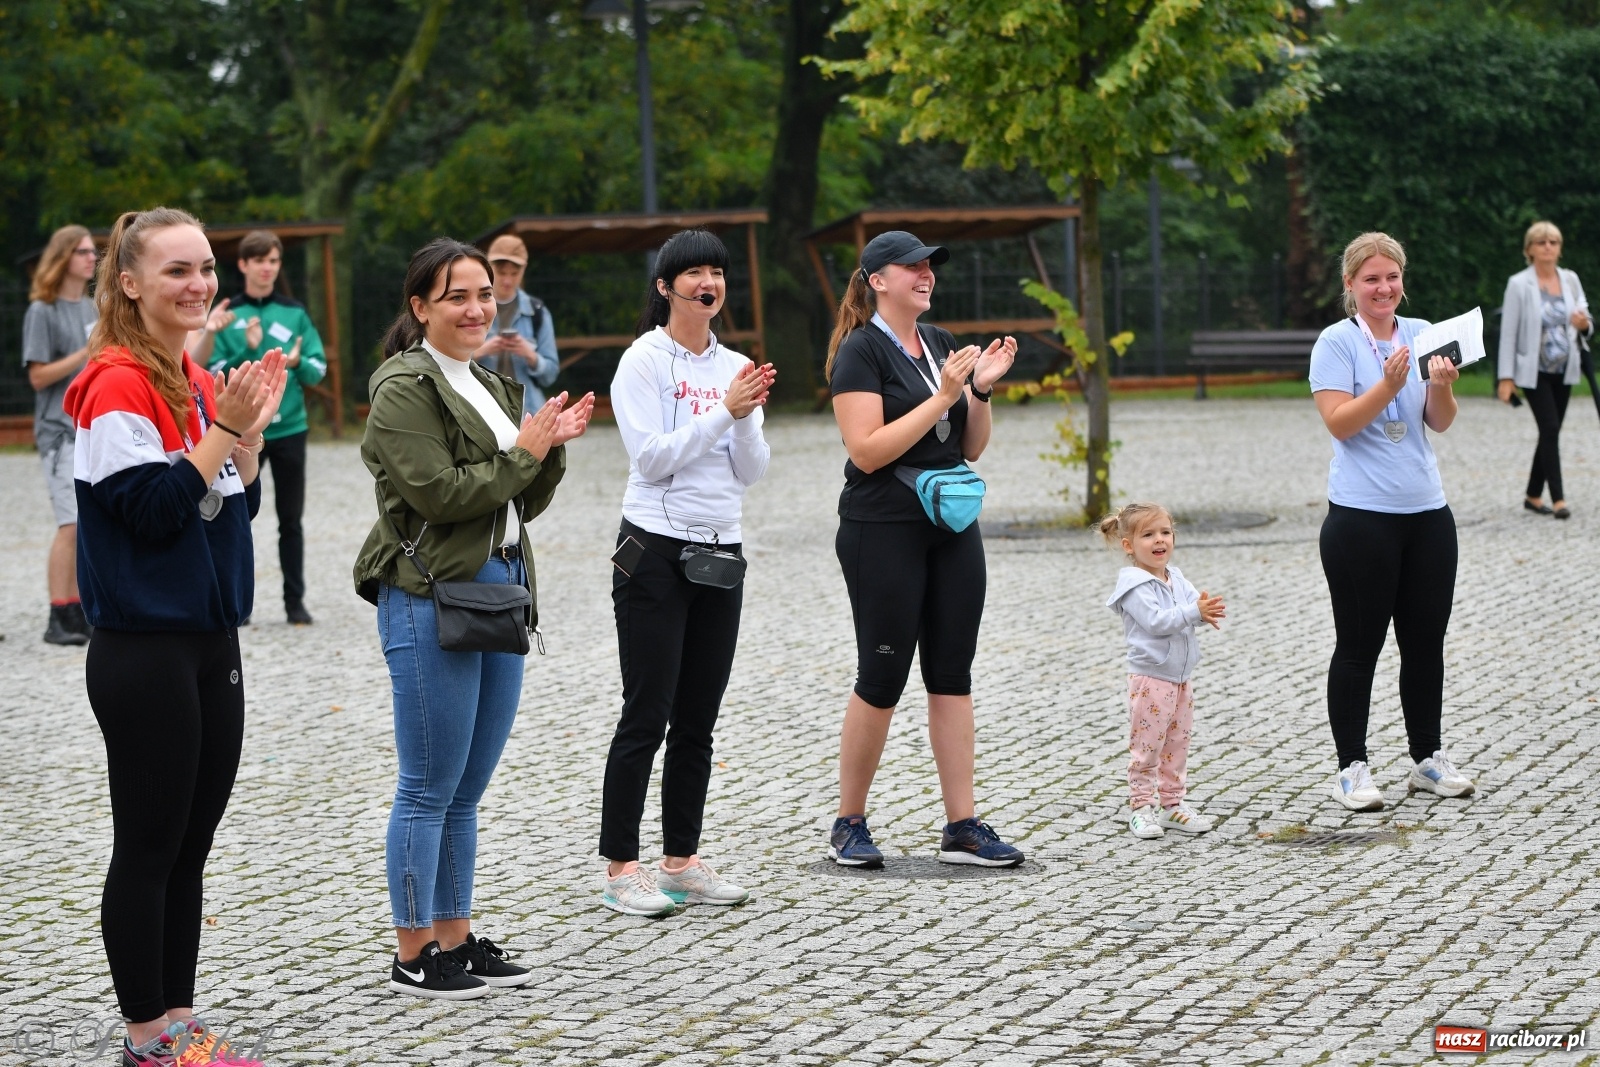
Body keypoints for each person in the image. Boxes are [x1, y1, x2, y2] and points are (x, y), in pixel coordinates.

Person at [63, 206, 287, 1067]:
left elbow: (228, 510)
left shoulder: (189, 378)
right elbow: (154, 514)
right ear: (129, 284)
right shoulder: (115, 382)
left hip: (209, 638)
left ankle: (181, 1019)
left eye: (205, 268)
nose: (200, 285)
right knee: (150, 845)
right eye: (177, 271)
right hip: (144, 647)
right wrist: (226, 431)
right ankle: (146, 1033)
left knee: (191, 847)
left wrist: (248, 439)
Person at [354, 238, 593, 998]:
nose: (475, 307)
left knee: (464, 788)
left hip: (497, 591)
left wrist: (545, 447)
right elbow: (441, 494)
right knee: (426, 784)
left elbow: (516, 498)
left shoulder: (491, 382)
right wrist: (524, 454)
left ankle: (454, 938)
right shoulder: (402, 386)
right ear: (420, 306)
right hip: (429, 595)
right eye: (456, 295)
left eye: (484, 293)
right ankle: (412, 948)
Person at [822, 230, 1021, 869]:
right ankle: (849, 822)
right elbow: (867, 450)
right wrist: (942, 397)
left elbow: (968, 447)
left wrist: (980, 392)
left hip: (950, 525)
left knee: (953, 674)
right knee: (881, 677)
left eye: (930, 265)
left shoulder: (939, 345)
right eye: (912, 266)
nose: (925, 273)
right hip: (881, 530)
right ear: (878, 279)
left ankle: (962, 826)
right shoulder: (860, 352)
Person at [599, 229, 775, 916]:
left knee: (699, 717)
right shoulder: (643, 362)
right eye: (694, 272)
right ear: (666, 287)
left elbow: (751, 471)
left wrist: (746, 417)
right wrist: (722, 413)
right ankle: (621, 867)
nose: (709, 282)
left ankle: (682, 860)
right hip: (653, 552)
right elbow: (651, 460)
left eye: (718, 271)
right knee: (648, 710)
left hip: (721, 549)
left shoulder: (732, 363)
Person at [1309, 231, 1475, 813]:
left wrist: (1442, 387)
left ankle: (1428, 758)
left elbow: (1439, 421)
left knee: (1426, 643)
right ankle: (1352, 767)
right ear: (1351, 285)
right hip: (1361, 519)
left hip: (1427, 515)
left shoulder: (1423, 333)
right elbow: (1341, 423)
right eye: (1372, 278)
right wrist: (1387, 384)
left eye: (1392, 276)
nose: (1385, 287)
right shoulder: (1336, 342)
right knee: (1359, 646)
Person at [192, 229, 328, 623]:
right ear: (244, 265)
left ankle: (294, 603)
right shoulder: (226, 314)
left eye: (274, 261)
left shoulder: (295, 313)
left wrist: (298, 362)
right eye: (260, 260)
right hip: (239, 432)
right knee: (234, 514)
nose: (267, 268)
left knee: (291, 520)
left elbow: (317, 370)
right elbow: (206, 373)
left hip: (290, 431)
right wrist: (249, 349)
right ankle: (237, 601)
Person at [1098, 503, 1225, 839]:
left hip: (1181, 677)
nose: (1160, 541)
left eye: (1165, 532)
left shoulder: (1175, 576)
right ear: (1129, 545)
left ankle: (1173, 805)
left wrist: (1204, 608)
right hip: (1151, 679)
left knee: (1177, 743)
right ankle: (1141, 807)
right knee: (1147, 746)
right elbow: (1157, 623)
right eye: (1149, 534)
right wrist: (1193, 612)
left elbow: (1193, 602)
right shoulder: (1135, 586)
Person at [23, 224, 98, 645]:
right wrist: (84, 353)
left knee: (85, 523)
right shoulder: (42, 310)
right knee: (69, 524)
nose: (92, 258)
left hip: (86, 427)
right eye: (83, 251)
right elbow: (37, 377)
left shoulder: (92, 309)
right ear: (64, 256)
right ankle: (57, 616)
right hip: (57, 433)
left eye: (92, 251)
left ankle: (77, 610)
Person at [1496, 220, 1592, 520]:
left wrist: (1584, 325)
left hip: (1565, 368)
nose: (1548, 246)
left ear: (1559, 249)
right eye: (1541, 242)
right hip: (1532, 370)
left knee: (1550, 431)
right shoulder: (1518, 284)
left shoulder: (1571, 280)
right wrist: (1506, 377)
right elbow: (1508, 333)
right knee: (1550, 428)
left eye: (1553, 242)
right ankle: (1559, 498)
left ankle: (1533, 495)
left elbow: (1586, 322)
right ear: (1530, 249)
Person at [473, 234, 560, 418]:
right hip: (479, 413)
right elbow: (447, 362)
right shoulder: (472, 309)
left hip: (527, 414)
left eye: (514, 274)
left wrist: (530, 355)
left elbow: (550, 375)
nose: (508, 280)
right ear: (489, 268)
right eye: (502, 273)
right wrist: (480, 351)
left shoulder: (538, 312)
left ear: (524, 270)